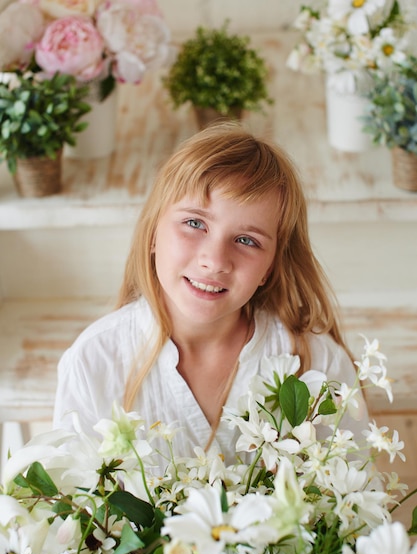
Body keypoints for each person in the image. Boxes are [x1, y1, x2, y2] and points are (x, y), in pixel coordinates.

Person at [53, 123, 365, 471]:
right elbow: (75, 505)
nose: (214, 261)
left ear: (270, 268)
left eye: (247, 240)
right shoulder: (94, 362)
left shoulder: (318, 366)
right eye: (195, 224)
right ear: (153, 233)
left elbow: (357, 492)